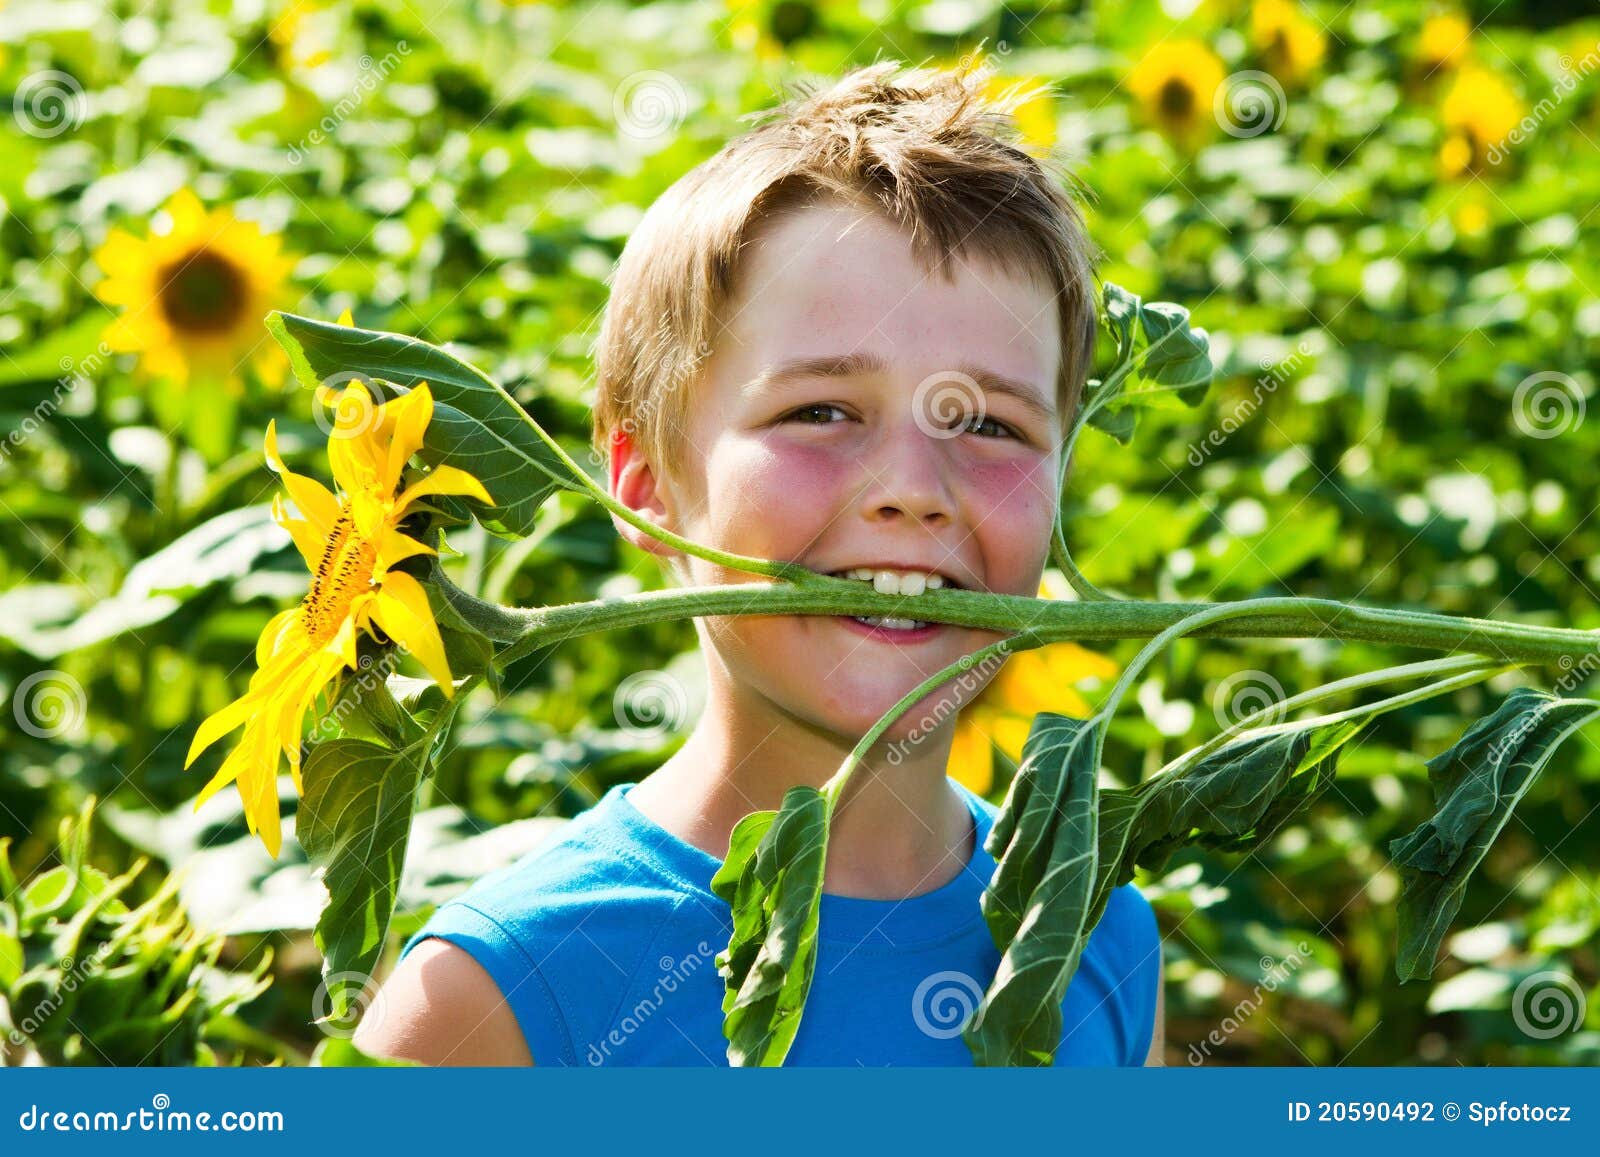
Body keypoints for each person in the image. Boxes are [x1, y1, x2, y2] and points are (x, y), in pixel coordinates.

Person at [356, 60, 1165, 1067]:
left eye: (990, 423)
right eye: (820, 412)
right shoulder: (499, 998)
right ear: (643, 480)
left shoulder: (1095, 926)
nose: (912, 488)